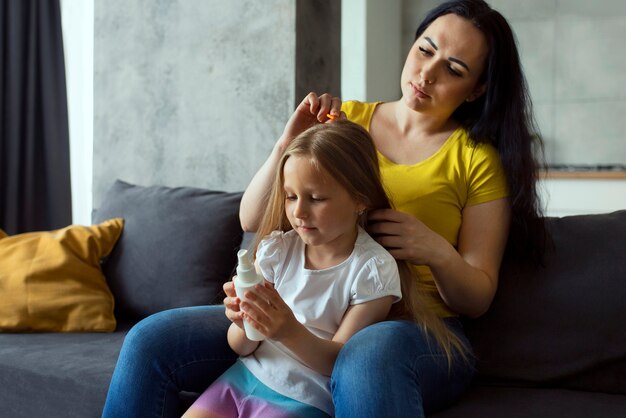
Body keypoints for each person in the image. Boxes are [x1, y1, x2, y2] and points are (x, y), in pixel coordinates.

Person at [102, 1, 546, 416]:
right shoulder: (345, 121)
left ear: (477, 89)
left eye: (453, 68)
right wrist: (286, 142)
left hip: (418, 329)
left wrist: (433, 249)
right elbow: (253, 219)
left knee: (364, 358)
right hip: (308, 309)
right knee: (149, 340)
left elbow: (478, 297)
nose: (426, 73)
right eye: (424, 50)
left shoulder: (476, 159)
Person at [182, 120, 403, 418]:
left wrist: (287, 331)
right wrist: (243, 320)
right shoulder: (279, 250)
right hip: (240, 381)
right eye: (291, 196)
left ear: (360, 199)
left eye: (316, 198)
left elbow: (342, 364)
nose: (298, 212)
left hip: (304, 399)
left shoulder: (372, 270)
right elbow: (241, 347)